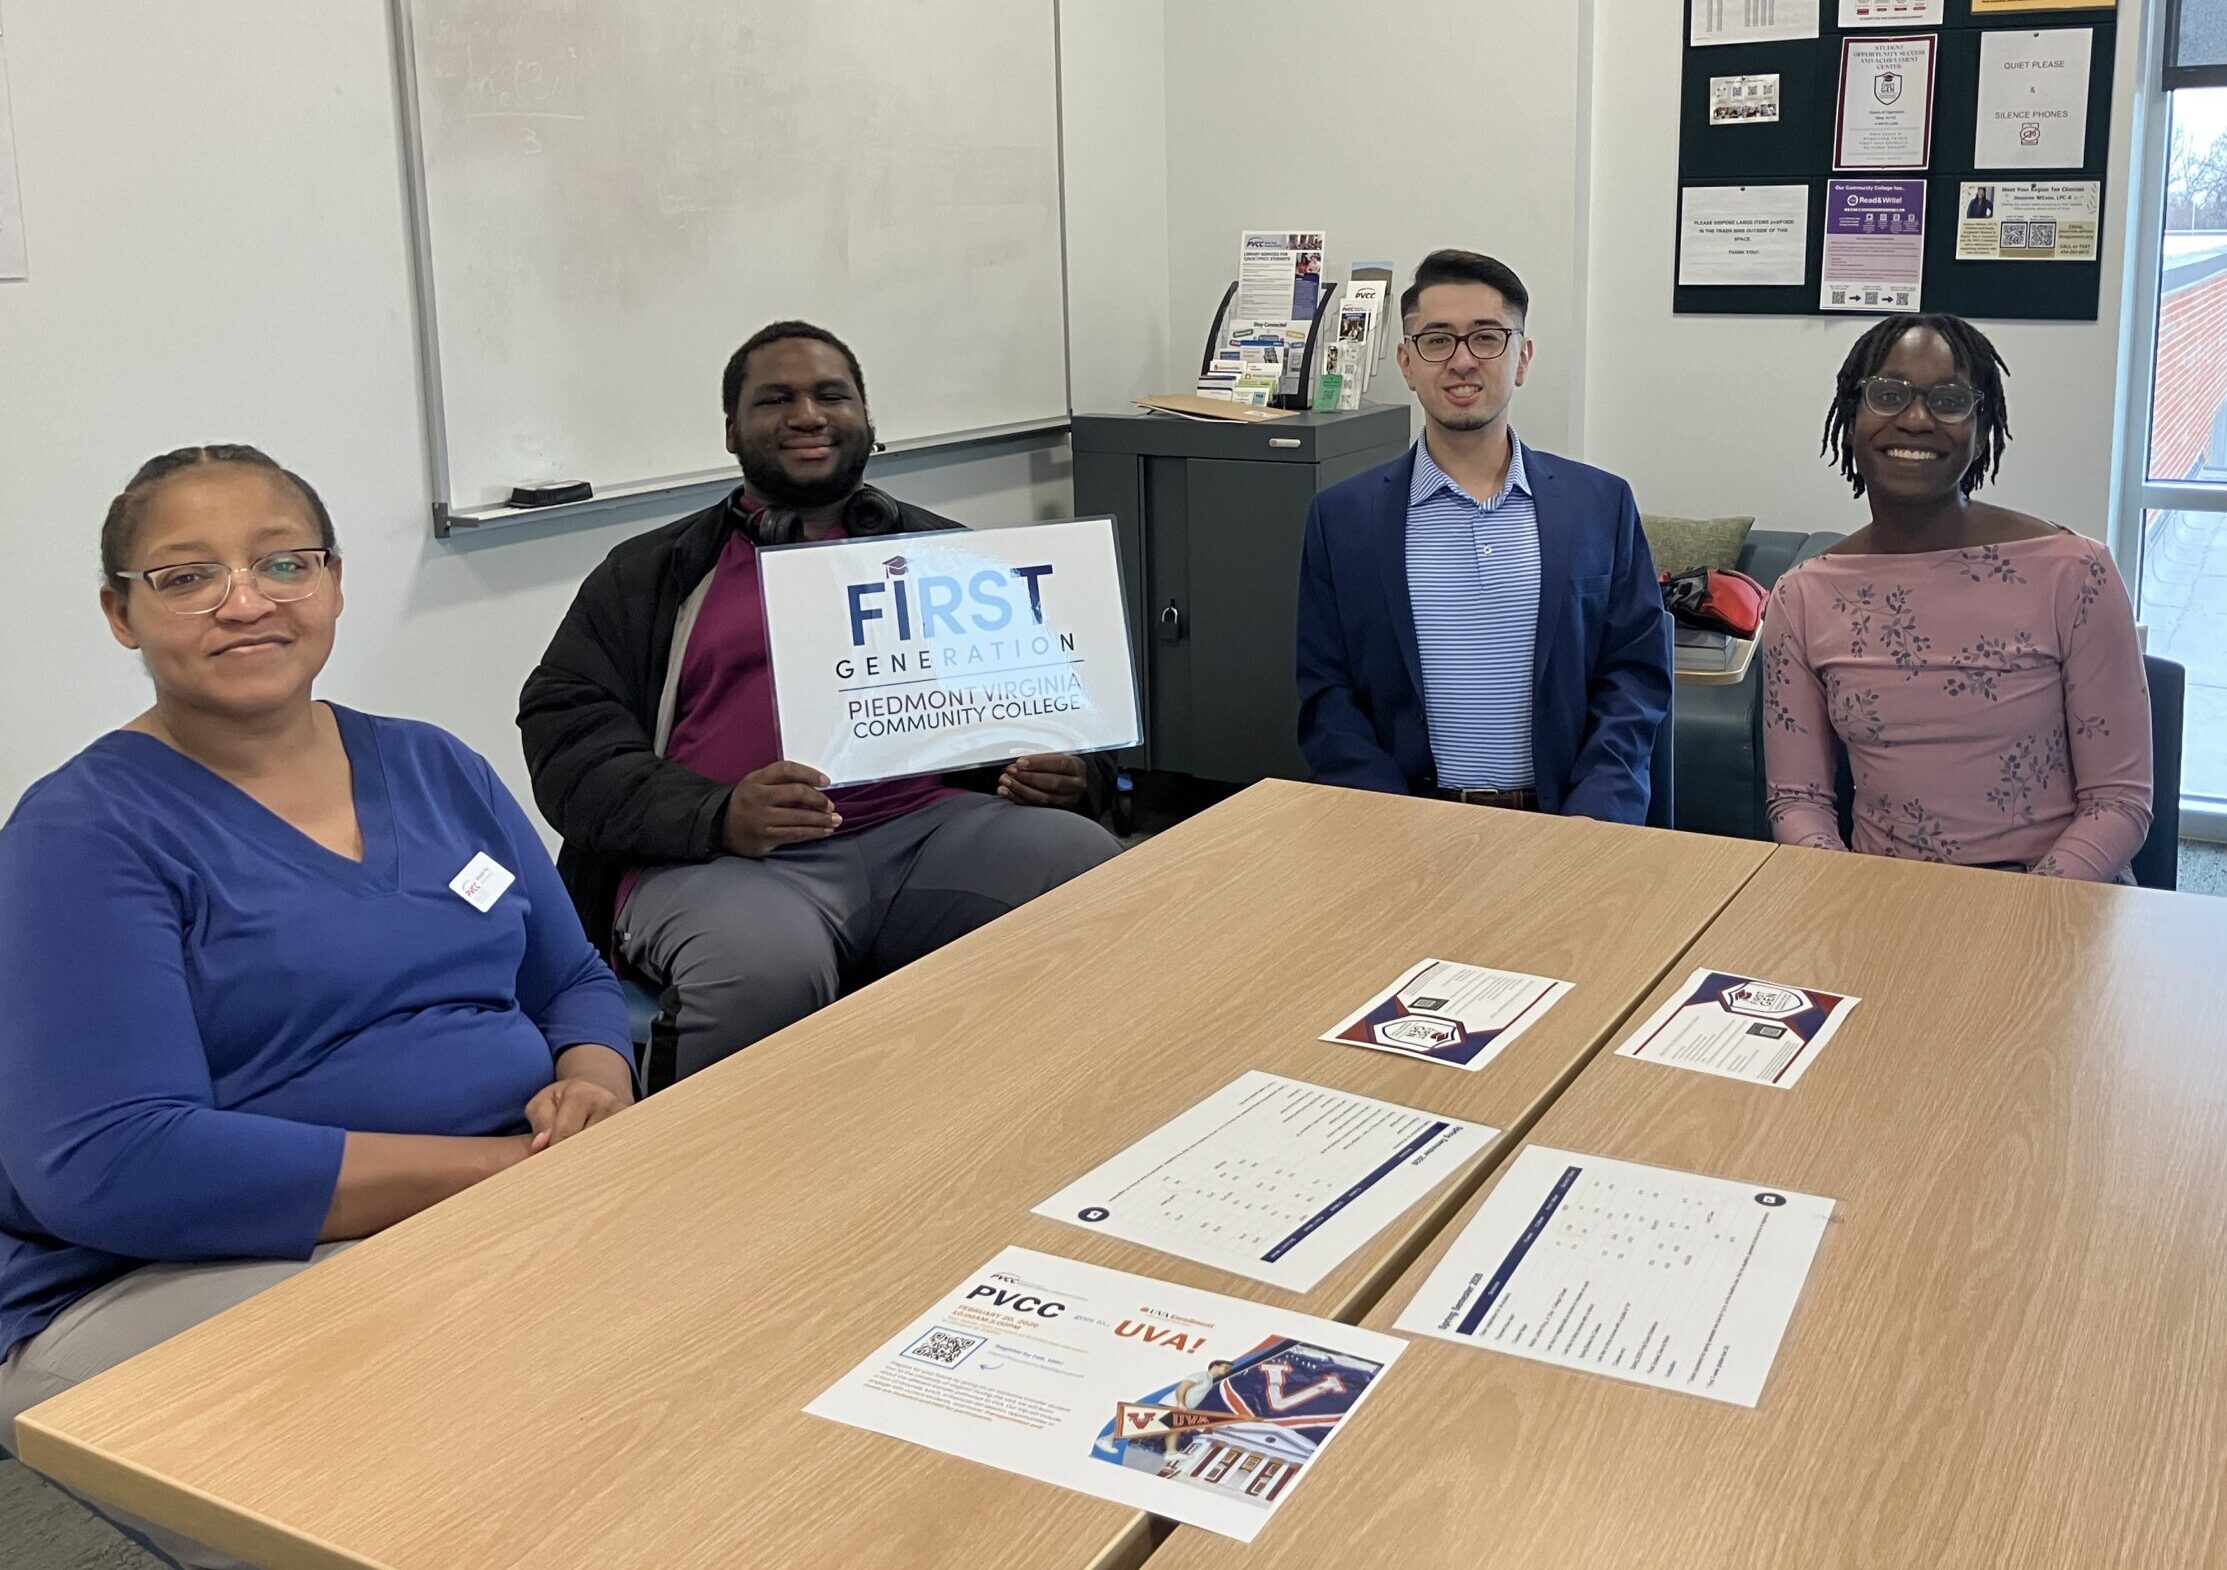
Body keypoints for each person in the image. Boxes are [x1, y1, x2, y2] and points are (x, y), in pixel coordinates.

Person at [0, 447, 635, 1568]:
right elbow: (116, 1163)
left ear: (335, 581)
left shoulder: (434, 766)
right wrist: (493, 1179)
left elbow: (572, 980)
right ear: (119, 613)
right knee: (497, 1475)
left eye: (282, 560)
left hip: (488, 1200)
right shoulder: (83, 834)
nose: (245, 600)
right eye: (186, 576)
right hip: (150, 1277)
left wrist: (591, 1082)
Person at [520, 322, 1119, 1079]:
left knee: (1085, 865)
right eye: (775, 399)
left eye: (830, 395)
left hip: (923, 831)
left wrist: (1072, 773)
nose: (806, 414)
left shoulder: (948, 559)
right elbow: (567, 742)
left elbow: (1059, 712)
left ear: (866, 420)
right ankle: (707, 1180)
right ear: (732, 431)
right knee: (760, 969)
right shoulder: (650, 576)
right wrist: (717, 813)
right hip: (724, 863)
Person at [1762, 315, 2152, 880]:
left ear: (1982, 426)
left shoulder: (2074, 573)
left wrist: (2019, 910)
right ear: (1850, 419)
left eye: (1948, 400)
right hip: (1884, 897)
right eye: (1888, 395)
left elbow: (2118, 802)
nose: (1917, 420)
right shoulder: (1802, 597)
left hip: (2055, 899)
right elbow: (1798, 801)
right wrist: (1843, 891)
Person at [1294, 249, 1671, 821]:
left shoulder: (1601, 505)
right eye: (1437, 340)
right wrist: (1390, 822)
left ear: (1522, 358)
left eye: (1487, 338)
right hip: (1400, 834)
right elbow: (1327, 694)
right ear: (1407, 362)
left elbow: (1633, 678)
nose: (1462, 360)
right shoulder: (1342, 518)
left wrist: (1594, 820)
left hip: (1569, 830)